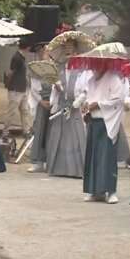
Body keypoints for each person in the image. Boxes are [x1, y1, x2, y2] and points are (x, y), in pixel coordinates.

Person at [81, 64, 126, 203]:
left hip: (108, 122)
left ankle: (111, 191)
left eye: (98, 64)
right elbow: (87, 97)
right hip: (94, 121)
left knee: (107, 156)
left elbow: (118, 99)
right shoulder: (90, 80)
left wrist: (98, 104)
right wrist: (86, 107)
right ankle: (94, 191)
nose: (95, 68)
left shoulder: (114, 79)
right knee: (93, 156)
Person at [45, 40, 89, 178]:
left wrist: (77, 102)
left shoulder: (84, 70)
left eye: (71, 49)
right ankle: (59, 168)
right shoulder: (61, 69)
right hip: (63, 107)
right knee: (59, 135)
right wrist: (57, 87)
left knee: (77, 136)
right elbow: (57, 88)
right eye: (66, 50)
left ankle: (78, 169)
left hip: (76, 107)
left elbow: (86, 89)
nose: (68, 53)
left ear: (77, 52)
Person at [3, 39, 31, 136]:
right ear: (27, 48)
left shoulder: (21, 57)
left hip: (22, 88)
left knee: (25, 110)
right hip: (16, 89)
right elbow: (11, 72)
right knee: (12, 111)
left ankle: (26, 130)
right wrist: (9, 84)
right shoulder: (17, 58)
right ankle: (5, 131)